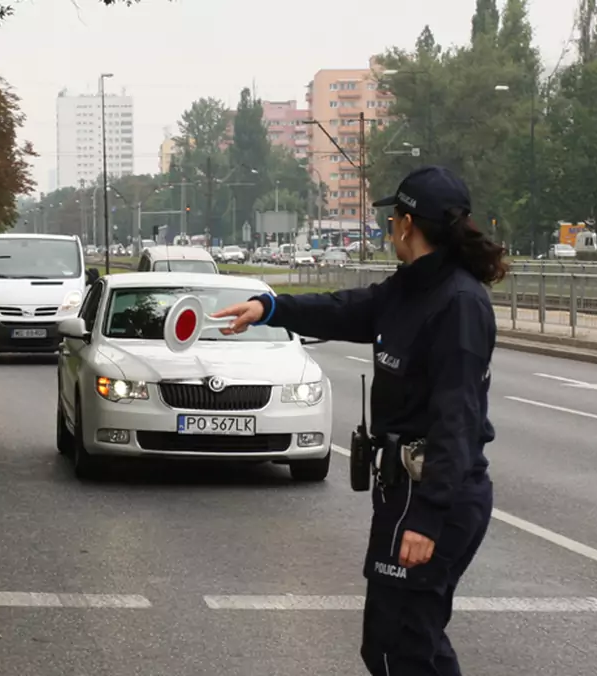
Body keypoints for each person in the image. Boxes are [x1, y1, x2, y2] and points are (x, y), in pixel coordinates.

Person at [214, 165, 507, 676]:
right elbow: (345, 310)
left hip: (433, 497)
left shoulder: (458, 303)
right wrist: (270, 307)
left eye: (392, 216)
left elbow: (456, 420)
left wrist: (426, 518)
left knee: (405, 644)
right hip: (402, 491)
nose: (388, 226)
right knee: (394, 643)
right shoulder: (410, 289)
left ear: (406, 223)